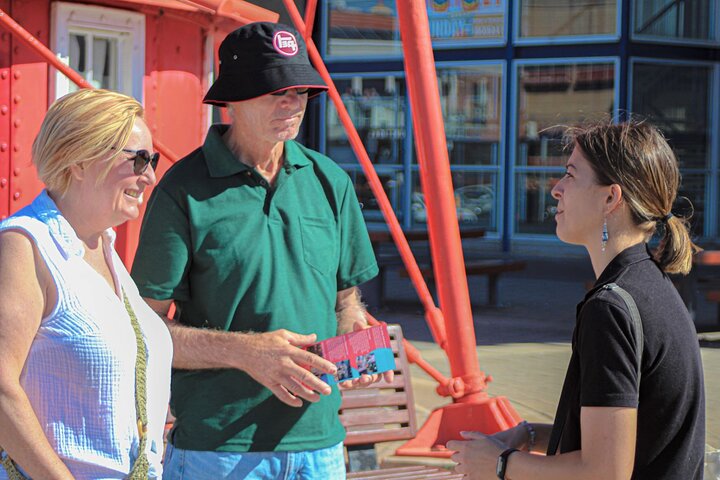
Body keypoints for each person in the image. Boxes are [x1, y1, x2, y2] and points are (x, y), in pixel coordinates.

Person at [131, 22, 387, 479]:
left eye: (302, 91)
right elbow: (142, 331)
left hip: (322, 446)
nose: (293, 104)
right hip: (218, 450)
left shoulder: (331, 181)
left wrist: (357, 343)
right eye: (276, 90)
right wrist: (247, 352)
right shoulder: (182, 191)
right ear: (233, 99)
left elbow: (346, 300)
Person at [448, 120, 705, 479]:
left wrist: (500, 465)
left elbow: (604, 470)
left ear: (611, 198)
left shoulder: (611, 309)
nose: (556, 189)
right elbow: (628, 440)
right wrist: (530, 434)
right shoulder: (651, 285)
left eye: (570, 174)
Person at [0, 89, 173, 479]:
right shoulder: (25, 245)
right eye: (139, 159)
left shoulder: (103, 245)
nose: (149, 176)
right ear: (80, 161)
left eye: (153, 160)